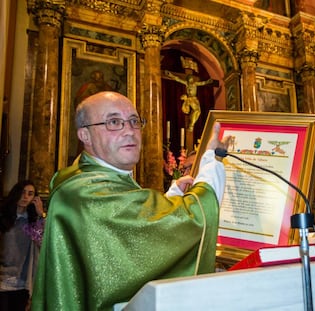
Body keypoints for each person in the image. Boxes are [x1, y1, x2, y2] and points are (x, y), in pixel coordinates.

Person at [32, 91, 230, 310]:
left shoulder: (91, 179)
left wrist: (172, 197)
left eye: (134, 121)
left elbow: (128, 246)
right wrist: (211, 160)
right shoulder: (87, 192)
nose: (129, 131)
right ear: (84, 135)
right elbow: (194, 219)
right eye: (114, 122)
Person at [0, 180, 45, 311]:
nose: (25, 197)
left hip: (22, 283)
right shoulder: (4, 217)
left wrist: (40, 214)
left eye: (30, 194)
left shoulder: (31, 222)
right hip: (2, 280)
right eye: (23, 192)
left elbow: (43, 243)